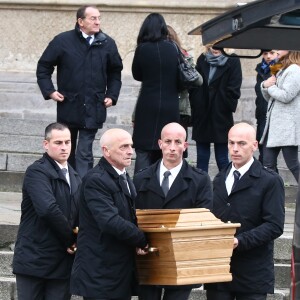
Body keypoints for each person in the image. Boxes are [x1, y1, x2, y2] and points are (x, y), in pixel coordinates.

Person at [37, 5, 123, 178]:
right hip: (69, 104)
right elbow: (43, 67)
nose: (98, 22)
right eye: (93, 18)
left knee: (84, 152)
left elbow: (115, 72)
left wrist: (112, 95)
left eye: (99, 18)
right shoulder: (62, 41)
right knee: (65, 149)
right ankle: (66, 186)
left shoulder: (107, 43)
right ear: (80, 21)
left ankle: (82, 191)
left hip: (94, 106)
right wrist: (50, 91)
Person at [205, 122, 285, 300]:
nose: (235, 149)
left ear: (255, 146)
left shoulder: (270, 181)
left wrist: (239, 241)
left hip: (253, 273)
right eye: (231, 143)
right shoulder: (219, 178)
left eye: (241, 144)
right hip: (219, 270)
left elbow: (274, 225)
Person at [134, 122, 213, 300]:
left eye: (178, 142)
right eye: (167, 141)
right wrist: (137, 242)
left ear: (185, 146)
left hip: (181, 258)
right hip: (149, 255)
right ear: (159, 144)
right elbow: (133, 216)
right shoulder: (141, 178)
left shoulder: (200, 180)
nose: (172, 148)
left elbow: (203, 219)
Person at [70, 128, 148, 300]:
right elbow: (109, 221)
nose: (130, 151)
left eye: (131, 146)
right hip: (100, 272)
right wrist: (143, 238)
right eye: (124, 147)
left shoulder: (125, 177)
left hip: (118, 270)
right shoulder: (96, 179)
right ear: (106, 150)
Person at [13, 122, 81, 300]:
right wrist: (71, 240)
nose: (64, 147)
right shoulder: (37, 171)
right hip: (34, 261)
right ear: (46, 144)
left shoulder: (74, 176)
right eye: (58, 143)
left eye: (67, 142)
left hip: (61, 264)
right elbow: (48, 210)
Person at [132, 13, 180, 174]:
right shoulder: (173, 48)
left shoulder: (142, 49)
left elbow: (137, 74)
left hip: (147, 103)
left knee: (143, 149)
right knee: (166, 147)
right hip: (170, 103)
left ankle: (140, 187)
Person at [190, 46, 242, 173]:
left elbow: (234, 87)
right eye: (212, 45)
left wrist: (224, 103)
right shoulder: (202, 58)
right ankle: (202, 190)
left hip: (221, 114)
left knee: (222, 158)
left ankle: (225, 189)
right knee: (202, 158)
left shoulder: (233, 60)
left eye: (220, 45)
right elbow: (195, 84)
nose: (215, 48)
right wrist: (197, 103)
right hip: (202, 114)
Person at [260, 50, 300, 182]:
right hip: (274, 126)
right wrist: (264, 86)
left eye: (280, 47)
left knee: (293, 164)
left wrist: (269, 87)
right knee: (267, 165)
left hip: (286, 126)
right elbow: (270, 98)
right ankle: (272, 199)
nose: (276, 50)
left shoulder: (294, 70)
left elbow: (286, 96)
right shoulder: (280, 68)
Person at [167, 25, 203, 158]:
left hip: (180, 107)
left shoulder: (184, 56)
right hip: (176, 107)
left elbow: (197, 80)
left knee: (178, 146)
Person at [254, 50, 278, 163]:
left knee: (268, 158)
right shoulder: (261, 68)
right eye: (265, 53)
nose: (268, 56)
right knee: (263, 154)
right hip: (262, 113)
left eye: (271, 53)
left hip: (274, 116)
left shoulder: (279, 68)